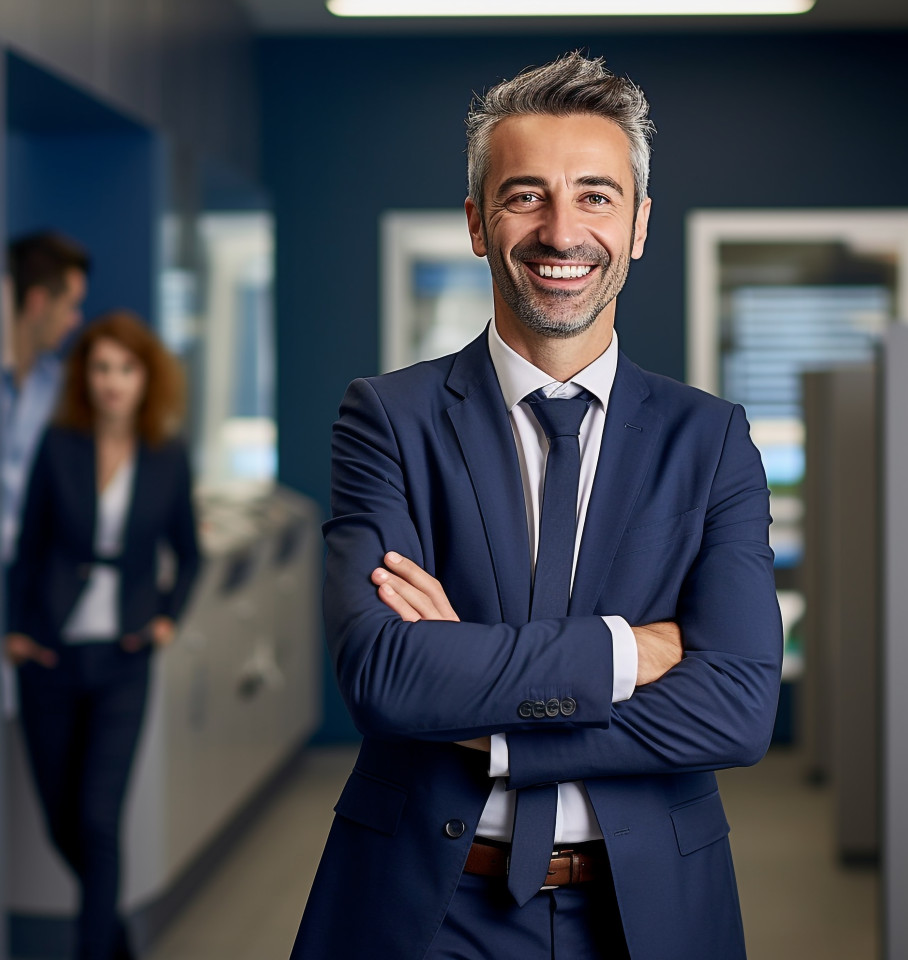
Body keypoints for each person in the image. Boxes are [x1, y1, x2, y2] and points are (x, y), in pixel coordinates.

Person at [291, 52, 783, 960]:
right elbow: (384, 675)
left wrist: (492, 728)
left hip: (649, 911)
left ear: (638, 225)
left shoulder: (710, 439)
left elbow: (738, 707)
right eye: (526, 196)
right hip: (425, 906)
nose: (562, 232)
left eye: (596, 196)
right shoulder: (389, 418)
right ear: (478, 223)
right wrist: (628, 651)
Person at [4, 311, 200, 960]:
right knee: (62, 822)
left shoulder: (168, 455)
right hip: (49, 655)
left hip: (124, 657)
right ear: (84, 377)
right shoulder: (60, 445)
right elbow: (29, 549)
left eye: (126, 369)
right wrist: (15, 630)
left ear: (147, 378)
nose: (112, 382)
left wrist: (167, 616)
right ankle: (114, 942)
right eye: (100, 368)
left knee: (97, 818)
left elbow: (189, 553)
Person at [2, 231, 89, 563]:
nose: (76, 319)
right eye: (71, 305)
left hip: (33, 576)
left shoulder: (61, 389)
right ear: (38, 302)